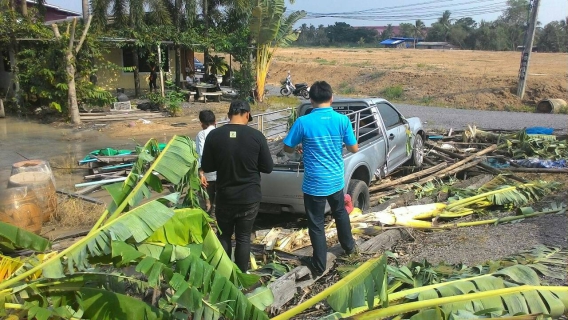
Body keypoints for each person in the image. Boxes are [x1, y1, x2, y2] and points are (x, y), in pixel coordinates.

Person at [283, 80, 359, 276]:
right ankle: (349, 247)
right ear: (331, 98)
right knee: (340, 212)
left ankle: (319, 263)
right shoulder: (342, 120)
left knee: (316, 223)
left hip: (314, 182)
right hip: (335, 179)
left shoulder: (303, 122)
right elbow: (353, 148)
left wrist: (302, 146)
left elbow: (287, 148)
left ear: (310, 99)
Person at [202, 100, 274, 272]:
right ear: (247, 115)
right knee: (243, 237)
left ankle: (225, 273)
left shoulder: (214, 135)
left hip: (225, 196)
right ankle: (241, 276)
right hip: (249, 197)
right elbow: (268, 168)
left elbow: (208, 166)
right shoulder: (256, 136)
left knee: (224, 235)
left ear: (229, 115)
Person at [195, 110, 217, 217]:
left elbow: (202, 153)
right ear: (215, 121)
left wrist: (201, 173)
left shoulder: (202, 134)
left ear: (202, 123)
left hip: (207, 175)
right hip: (220, 175)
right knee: (217, 206)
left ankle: (209, 227)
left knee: (206, 204)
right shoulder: (220, 133)